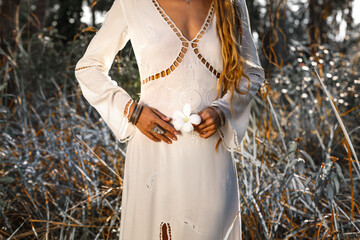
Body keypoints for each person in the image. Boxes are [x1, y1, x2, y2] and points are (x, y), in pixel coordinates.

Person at [74, 0, 265, 239]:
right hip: (154, 153)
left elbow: (251, 73)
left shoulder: (230, 4)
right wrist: (131, 112)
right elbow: (89, 67)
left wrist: (223, 110)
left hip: (210, 160)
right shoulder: (131, 3)